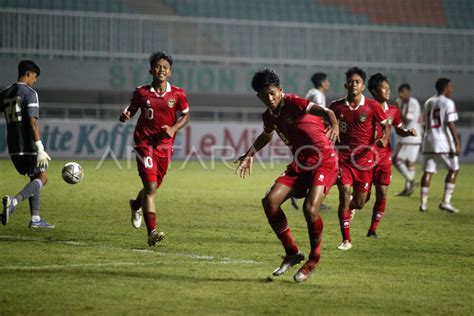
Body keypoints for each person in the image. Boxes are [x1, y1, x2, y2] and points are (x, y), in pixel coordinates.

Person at [235, 68, 339, 282]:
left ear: (280, 90)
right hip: (300, 164)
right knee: (270, 201)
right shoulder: (269, 115)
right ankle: (292, 252)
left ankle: (314, 259)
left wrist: (334, 123)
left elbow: (327, 112)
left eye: (273, 93)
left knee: (310, 209)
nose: (270, 99)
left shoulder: (294, 103)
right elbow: (266, 136)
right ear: (259, 97)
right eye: (265, 96)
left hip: (324, 161)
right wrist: (249, 154)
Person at [119, 51, 190, 246]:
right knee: (151, 188)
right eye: (158, 66)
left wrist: (173, 128)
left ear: (170, 72)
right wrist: (125, 116)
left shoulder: (177, 93)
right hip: (144, 144)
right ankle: (152, 232)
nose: (161, 70)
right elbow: (130, 111)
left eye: (165, 67)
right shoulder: (141, 92)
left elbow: (186, 116)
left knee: (152, 187)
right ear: (151, 70)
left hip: (165, 147)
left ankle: (135, 205)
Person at [329, 67, 389, 250]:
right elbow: (327, 126)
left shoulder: (372, 106)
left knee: (361, 202)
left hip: (364, 161)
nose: (354, 84)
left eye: (358, 82)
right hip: (343, 159)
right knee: (344, 195)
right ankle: (346, 239)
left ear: (362, 86)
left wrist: (383, 140)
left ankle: (352, 207)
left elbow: (386, 127)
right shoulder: (336, 107)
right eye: (351, 81)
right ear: (346, 84)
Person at [0, 59, 54, 228]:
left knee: (34, 177)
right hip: (29, 145)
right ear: (28, 73)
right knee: (42, 178)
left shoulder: (6, 92)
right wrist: (40, 148)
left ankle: (35, 219)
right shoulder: (30, 93)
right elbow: (32, 122)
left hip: (13, 146)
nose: (35, 80)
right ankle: (14, 202)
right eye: (34, 76)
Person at [363, 73, 416, 238]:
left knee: (382, 192)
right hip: (366, 157)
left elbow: (398, 128)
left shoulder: (393, 110)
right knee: (363, 198)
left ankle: (372, 230)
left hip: (384, 157)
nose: (388, 90)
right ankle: (349, 212)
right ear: (373, 90)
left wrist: (407, 132)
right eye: (383, 87)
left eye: (388, 87)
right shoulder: (365, 107)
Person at [289, 72, 331, 211]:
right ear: (322, 83)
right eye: (327, 81)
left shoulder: (311, 92)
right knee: (320, 164)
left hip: (304, 131)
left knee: (308, 164)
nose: (328, 84)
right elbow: (319, 114)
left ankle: (303, 193)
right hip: (312, 133)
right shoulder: (318, 95)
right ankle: (297, 191)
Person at [419, 78, 461, 213]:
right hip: (443, 141)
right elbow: (450, 123)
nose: (451, 89)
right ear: (445, 88)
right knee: (454, 168)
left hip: (428, 140)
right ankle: (446, 202)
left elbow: (424, 124)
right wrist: (456, 143)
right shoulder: (448, 102)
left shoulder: (428, 102)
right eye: (450, 87)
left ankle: (423, 204)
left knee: (428, 171)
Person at [393, 83, 422, 196]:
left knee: (396, 160)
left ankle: (411, 181)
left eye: (402, 92)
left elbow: (408, 120)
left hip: (410, 136)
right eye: (399, 92)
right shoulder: (406, 103)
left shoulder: (412, 103)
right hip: (414, 136)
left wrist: (398, 107)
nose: (400, 95)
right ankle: (408, 189)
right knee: (409, 163)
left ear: (408, 92)